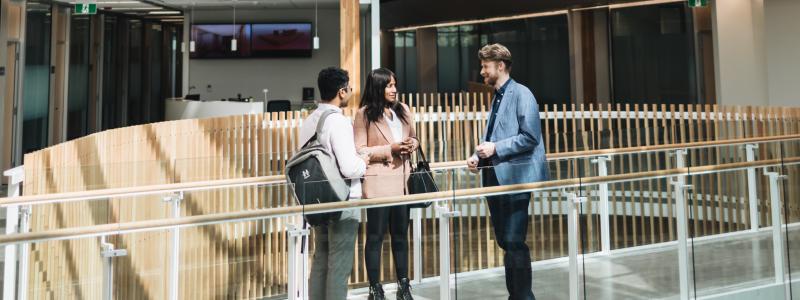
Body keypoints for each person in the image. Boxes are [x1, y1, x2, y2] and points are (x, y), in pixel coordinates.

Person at [466, 44, 548, 300]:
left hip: (515, 179)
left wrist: (494, 148)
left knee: (513, 241)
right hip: (495, 177)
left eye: (485, 66)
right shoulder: (498, 95)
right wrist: (477, 155)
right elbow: (493, 135)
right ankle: (516, 296)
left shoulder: (522, 93)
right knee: (505, 241)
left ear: (500, 66)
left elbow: (530, 137)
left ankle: (523, 297)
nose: (482, 72)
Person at [301, 67, 369, 300]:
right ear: (342, 91)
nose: (350, 91)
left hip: (316, 200)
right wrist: (364, 161)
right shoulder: (338, 122)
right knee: (339, 264)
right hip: (342, 201)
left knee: (321, 257)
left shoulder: (309, 120)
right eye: (349, 88)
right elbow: (350, 168)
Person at [354, 68, 419, 300]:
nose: (394, 89)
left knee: (401, 235)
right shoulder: (364, 114)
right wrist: (390, 149)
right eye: (389, 85)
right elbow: (360, 150)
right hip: (378, 182)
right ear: (378, 87)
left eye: (395, 84)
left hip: (403, 182)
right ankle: (375, 288)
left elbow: (414, 136)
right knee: (375, 237)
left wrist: (412, 144)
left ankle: (404, 286)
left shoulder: (403, 110)